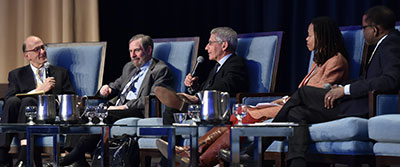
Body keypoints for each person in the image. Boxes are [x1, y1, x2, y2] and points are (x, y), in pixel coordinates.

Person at [163, 17, 351, 167]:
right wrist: (283, 100)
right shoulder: (318, 62)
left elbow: (315, 96)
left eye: (310, 35)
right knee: (240, 114)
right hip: (292, 103)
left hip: (308, 109)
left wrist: (286, 101)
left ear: (322, 35)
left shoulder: (336, 61)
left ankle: (198, 157)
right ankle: (193, 152)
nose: (306, 39)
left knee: (242, 115)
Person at [234, 6, 400, 167]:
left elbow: (391, 80)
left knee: (304, 93)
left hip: (364, 106)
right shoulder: (382, 45)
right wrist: (340, 87)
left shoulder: (391, 44)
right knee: (296, 112)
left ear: (375, 29)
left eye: (364, 28)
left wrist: (344, 90)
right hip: (353, 102)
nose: (363, 32)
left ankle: (256, 148)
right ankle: (296, 162)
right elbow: (366, 79)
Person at [60, 34, 174, 166]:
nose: (133, 55)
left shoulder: (160, 70)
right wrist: (107, 88)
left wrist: (125, 107)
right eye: (130, 51)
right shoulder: (129, 67)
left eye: (137, 50)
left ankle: (72, 157)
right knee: (81, 113)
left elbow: (155, 96)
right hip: (117, 108)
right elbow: (117, 85)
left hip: (137, 110)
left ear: (149, 50)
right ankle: (77, 157)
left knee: (103, 115)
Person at [155, 27, 249, 166]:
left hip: (218, 107)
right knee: (170, 108)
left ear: (224, 45)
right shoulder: (216, 67)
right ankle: (171, 150)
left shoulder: (236, 63)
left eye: (210, 43)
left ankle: (168, 158)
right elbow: (209, 87)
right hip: (203, 104)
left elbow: (227, 86)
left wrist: (199, 96)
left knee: (177, 106)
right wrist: (195, 87)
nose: (206, 48)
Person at [0, 36, 76, 167]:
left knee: (28, 101)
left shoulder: (60, 73)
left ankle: (23, 156)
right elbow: (8, 100)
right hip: (20, 116)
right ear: (27, 55)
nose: (42, 51)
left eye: (42, 47)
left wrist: (49, 97)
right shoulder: (17, 74)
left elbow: (70, 97)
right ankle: (2, 153)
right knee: (13, 102)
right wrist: (40, 89)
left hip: (49, 115)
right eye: (37, 49)